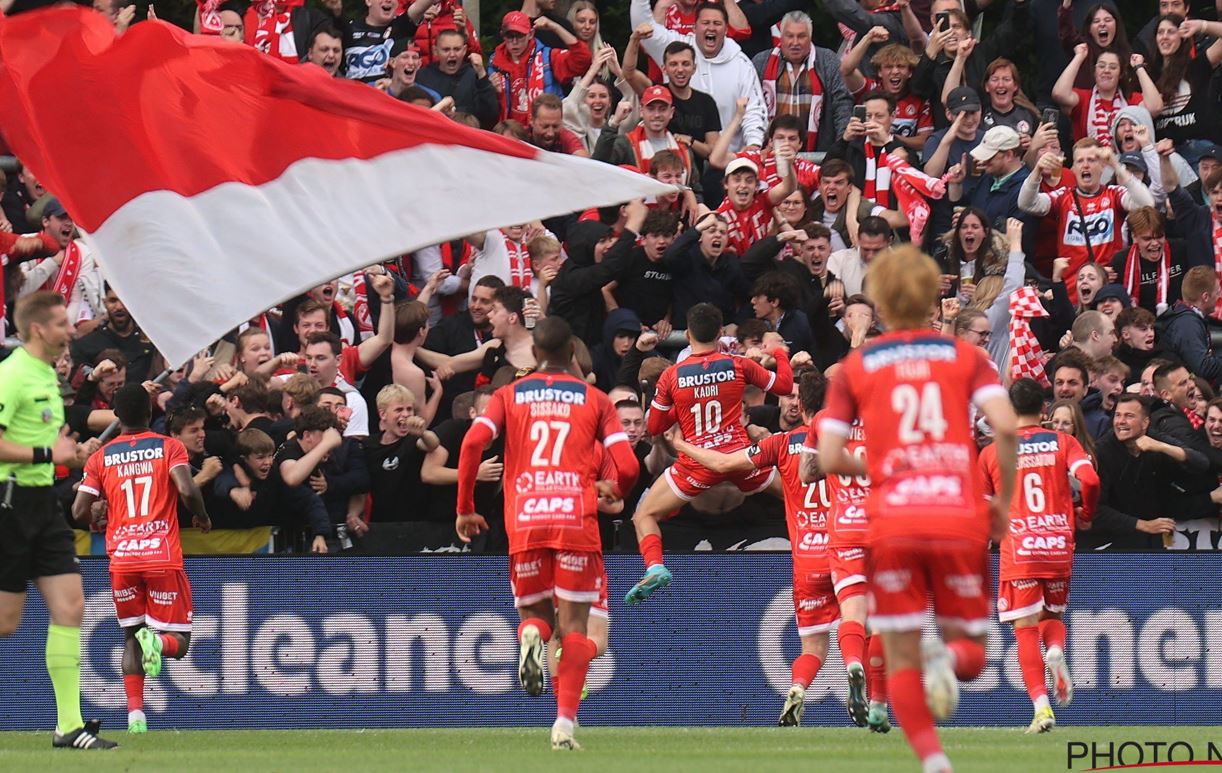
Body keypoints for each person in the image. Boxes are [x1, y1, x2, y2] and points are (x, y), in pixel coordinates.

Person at [817, 245, 1017, 773]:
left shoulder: (856, 365)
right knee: (970, 656)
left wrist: (883, 468)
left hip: (894, 522)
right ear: (935, 295)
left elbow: (832, 456)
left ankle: (933, 762)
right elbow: (1007, 427)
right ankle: (945, 660)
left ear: (879, 300)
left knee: (899, 652)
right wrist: (1005, 501)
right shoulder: (968, 357)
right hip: (957, 514)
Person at [455, 317, 638, 751]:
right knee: (575, 630)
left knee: (536, 618)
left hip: (526, 519)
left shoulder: (507, 395)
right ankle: (563, 725)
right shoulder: (595, 399)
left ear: (534, 353)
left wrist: (465, 507)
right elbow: (628, 466)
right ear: (572, 355)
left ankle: (530, 638)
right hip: (576, 521)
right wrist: (615, 492)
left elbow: (470, 445)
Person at [671, 370, 871, 727]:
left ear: (803, 408)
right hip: (845, 545)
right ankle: (856, 671)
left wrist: (680, 444)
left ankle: (797, 688)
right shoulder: (849, 441)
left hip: (806, 558)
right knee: (860, 624)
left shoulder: (779, 444)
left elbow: (722, 464)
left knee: (812, 647)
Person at [0, 292, 116, 749]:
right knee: (6, 623)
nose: (72, 332)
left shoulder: (48, 374)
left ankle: (69, 726)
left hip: (42, 504)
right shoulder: (10, 375)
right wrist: (50, 452)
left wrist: (70, 453)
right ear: (37, 330)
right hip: (8, 504)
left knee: (71, 608)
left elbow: (49, 442)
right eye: (63, 324)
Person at [625, 303, 793, 604]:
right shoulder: (738, 364)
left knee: (645, 516)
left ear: (687, 334)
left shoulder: (672, 376)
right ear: (719, 334)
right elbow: (783, 385)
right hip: (741, 459)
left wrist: (679, 408)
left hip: (698, 464)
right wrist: (778, 352)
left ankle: (655, 566)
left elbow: (653, 426)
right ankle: (824, 546)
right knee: (796, 496)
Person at [72, 383, 210, 735]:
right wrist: (202, 516)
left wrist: (98, 512)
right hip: (161, 555)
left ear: (116, 416)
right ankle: (157, 643)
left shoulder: (100, 457)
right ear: (151, 414)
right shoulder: (169, 447)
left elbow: (78, 509)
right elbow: (187, 489)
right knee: (178, 644)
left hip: (122, 560)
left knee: (131, 635)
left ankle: (135, 719)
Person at [978, 378, 1099, 734]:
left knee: (1025, 629)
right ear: (1043, 411)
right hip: (1058, 544)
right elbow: (1089, 481)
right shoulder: (1065, 441)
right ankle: (1056, 651)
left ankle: (1042, 708)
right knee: (1052, 617)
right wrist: (1087, 513)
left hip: (1021, 549)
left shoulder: (992, 451)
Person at [1018, 138, 1156, 303]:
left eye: (1091, 160)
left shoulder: (1114, 194)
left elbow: (1147, 203)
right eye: (1080, 161)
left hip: (1108, 294)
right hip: (1071, 296)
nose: (1085, 165)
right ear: (1073, 168)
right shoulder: (1063, 196)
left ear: (1102, 165)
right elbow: (1026, 203)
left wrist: (1117, 165)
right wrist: (1037, 171)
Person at [629, 0, 767, 153]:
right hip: (675, 161)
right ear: (694, 28)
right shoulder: (676, 49)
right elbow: (642, 26)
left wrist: (753, 145)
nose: (711, 28)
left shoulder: (741, 64)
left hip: (727, 161)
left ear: (727, 29)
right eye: (705, 23)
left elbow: (754, 110)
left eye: (717, 23)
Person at [751, 11, 853, 154]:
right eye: (790, 36)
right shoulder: (761, 61)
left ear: (810, 37)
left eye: (801, 36)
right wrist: (754, 145)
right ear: (781, 36)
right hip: (769, 153)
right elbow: (751, 108)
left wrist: (841, 148)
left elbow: (842, 105)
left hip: (818, 154)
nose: (795, 42)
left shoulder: (828, 60)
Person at [489, 10, 591, 125]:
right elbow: (487, 108)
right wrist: (489, 90)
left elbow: (583, 59)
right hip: (509, 133)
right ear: (502, 35)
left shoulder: (547, 57)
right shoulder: (495, 63)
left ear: (531, 34)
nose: (514, 41)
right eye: (509, 36)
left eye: (520, 35)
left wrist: (555, 27)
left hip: (543, 131)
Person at [1052, 46, 1156, 146]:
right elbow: (1059, 94)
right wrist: (1079, 56)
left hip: (1124, 162)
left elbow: (1154, 107)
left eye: (1113, 67)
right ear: (1095, 72)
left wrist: (1139, 67)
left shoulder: (1130, 99)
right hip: (1088, 161)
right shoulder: (1084, 98)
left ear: (1120, 74)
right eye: (1101, 66)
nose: (1106, 70)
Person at [415, 30, 499, 130]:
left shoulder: (475, 75)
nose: (452, 54)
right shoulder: (422, 76)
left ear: (464, 50)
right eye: (446, 50)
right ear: (435, 51)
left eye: (457, 49)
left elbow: (490, 116)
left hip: (468, 137)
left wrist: (482, 75)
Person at [1156, 266, 1222, 387]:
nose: (1219, 296)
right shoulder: (1187, 324)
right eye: (1218, 292)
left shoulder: (1186, 317)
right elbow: (1203, 368)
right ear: (1205, 297)